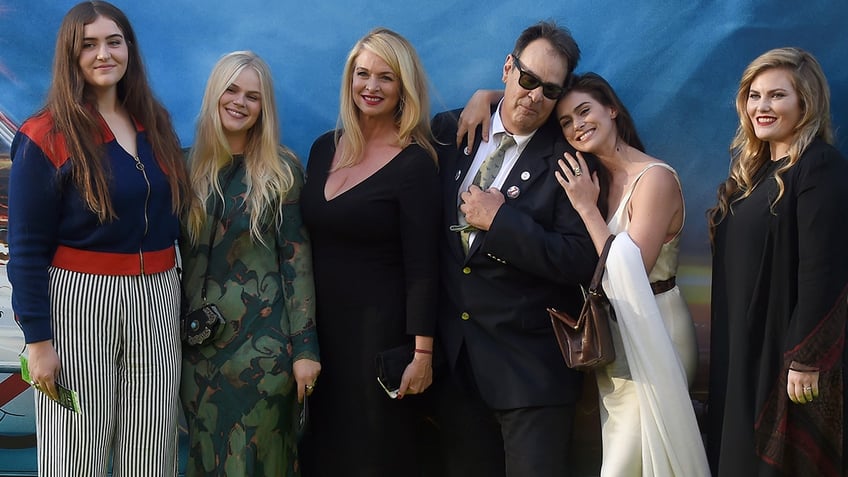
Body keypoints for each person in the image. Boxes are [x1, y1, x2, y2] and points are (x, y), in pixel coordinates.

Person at [6, 2, 190, 475]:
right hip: (81, 301)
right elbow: (25, 249)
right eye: (88, 44)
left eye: (113, 41)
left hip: (158, 297)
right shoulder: (45, 134)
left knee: (152, 444)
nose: (103, 54)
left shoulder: (156, 124)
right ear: (71, 55)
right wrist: (38, 342)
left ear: (129, 47)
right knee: (77, 451)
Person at [430, 21, 596, 477]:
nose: (534, 96)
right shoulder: (450, 131)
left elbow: (580, 259)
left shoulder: (569, 161)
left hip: (532, 378)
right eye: (527, 79)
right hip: (458, 373)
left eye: (549, 90)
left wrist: (501, 221)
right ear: (508, 67)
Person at [299, 28, 440, 475]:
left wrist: (422, 355)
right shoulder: (324, 147)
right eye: (362, 74)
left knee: (376, 457)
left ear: (404, 88)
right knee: (322, 453)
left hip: (381, 343)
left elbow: (424, 266)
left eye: (386, 77)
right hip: (322, 339)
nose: (371, 87)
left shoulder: (415, 162)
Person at [553, 73, 709, 476]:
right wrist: (489, 96)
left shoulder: (654, 178)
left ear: (612, 109)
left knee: (628, 463)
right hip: (614, 338)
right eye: (566, 121)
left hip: (657, 326)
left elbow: (632, 270)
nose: (576, 125)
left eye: (584, 111)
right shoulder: (597, 182)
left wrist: (587, 210)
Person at [707, 47, 848, 476]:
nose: (761, 107)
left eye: (777, 96)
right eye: (754, 95)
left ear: (805, 102)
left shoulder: (819, 168)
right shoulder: (750, 176)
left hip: (784, 356)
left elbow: (823, 267)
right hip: (740, 348)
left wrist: (806, 358)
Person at [180, 50, 320, 476]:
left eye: (253, 96)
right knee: (207, 461)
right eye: (232, 90)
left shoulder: (282, 171)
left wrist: (305, 350)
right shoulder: (182, 166)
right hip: (194, 355)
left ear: (264, 108)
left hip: (264, 355)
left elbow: (298, 264)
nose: (240, 102)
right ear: (214, 94)